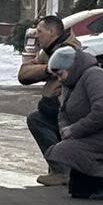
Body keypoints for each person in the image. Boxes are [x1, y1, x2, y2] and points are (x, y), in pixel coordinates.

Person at [44, 46, 103, 198]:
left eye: (60, 74)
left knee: (62, 151)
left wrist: (74, 130)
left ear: (71, 67)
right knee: (78, 191)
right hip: (90, 133)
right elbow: (63, 112)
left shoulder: (95, 76)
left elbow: (102, 112)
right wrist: (65, 129)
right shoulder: (70, 82)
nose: (59, 79)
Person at [19, 16, 78, 183]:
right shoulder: (49, 51)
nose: (36, 36)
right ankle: (59, 168)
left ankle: (62, 170)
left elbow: (60, 89)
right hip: (57, 111)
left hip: (69, 113)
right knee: (41, 116)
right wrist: (47, 69)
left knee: (37, 119)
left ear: (52, 32)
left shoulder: (68, 52)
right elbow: (23, 74)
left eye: (40, 31)